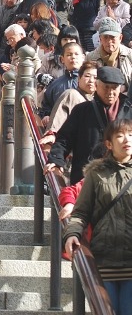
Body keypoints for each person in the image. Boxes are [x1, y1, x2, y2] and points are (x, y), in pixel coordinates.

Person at [63, 118, 132, 314]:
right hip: (104, 261)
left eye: (131, 134)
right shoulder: (97, 173)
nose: (127, 139)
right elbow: (81, 212)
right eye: (120, 135)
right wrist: (72, 234)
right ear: (109, 144)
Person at [44, 66, 132, 185]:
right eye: (106, 87)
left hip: (122, 178)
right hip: (85, 179)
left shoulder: (129, 112)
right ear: (96, 85)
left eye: (114, 88)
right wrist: (56, 160)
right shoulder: (82, 110)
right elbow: (64, 139)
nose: (110, 92)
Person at [39, 60, 98, 145]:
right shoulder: (73, 95)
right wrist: (51, 132)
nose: (91, 80)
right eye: (87, 76)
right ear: (79, 78)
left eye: (95, 78)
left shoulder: (99, 100)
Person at [40, 42, 85, 125]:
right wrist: (46, 115)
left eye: (76, 54)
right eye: (69, 55)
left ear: (83, 57)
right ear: (62, 59)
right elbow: (46, 106)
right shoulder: (55, 85)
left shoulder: (90, 81)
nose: (73, 57)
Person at [86, 17, 132, 92]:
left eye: (112, 37)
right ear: (100, 39)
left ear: (120, 38)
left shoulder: (130, 55)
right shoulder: (90, 58)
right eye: (105, 37)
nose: (109, 41)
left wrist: (125, 88)